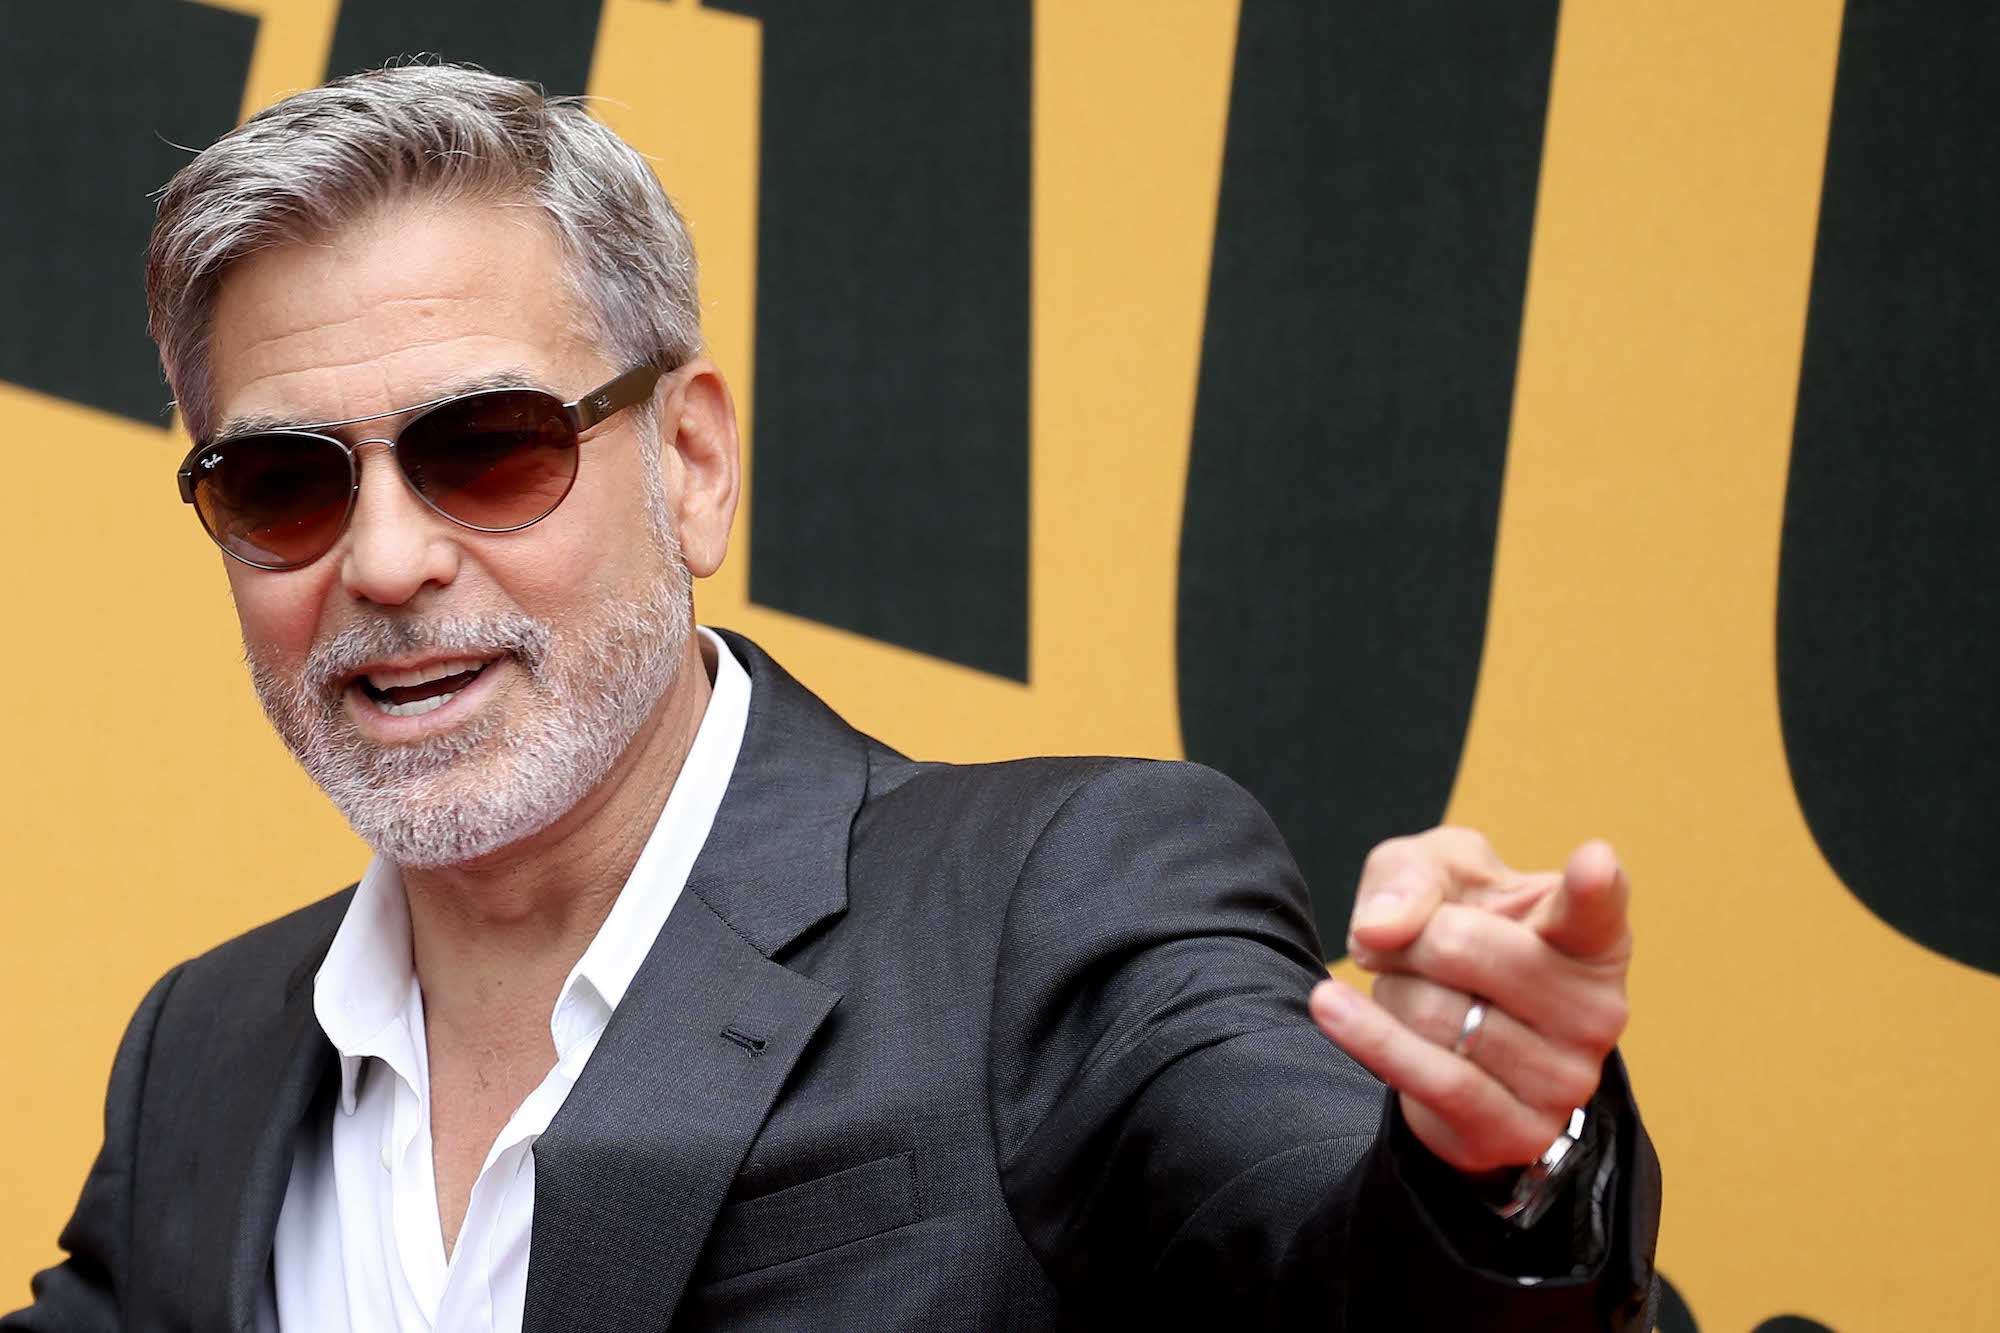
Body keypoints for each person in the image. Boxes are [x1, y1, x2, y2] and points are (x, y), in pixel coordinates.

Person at [3, 64, 1659, 1331]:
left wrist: (1492, 1165)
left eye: (487, 448)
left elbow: (1338, 1259)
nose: (384, 559)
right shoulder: (203, 1053)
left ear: (693, 464)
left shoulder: (1044, 907)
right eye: (285, 483)